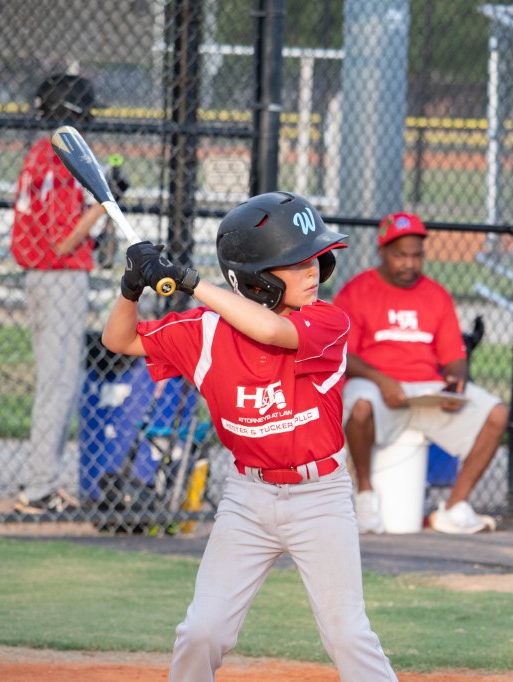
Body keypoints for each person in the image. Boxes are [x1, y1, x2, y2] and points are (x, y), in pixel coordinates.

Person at [101, 191, 397, 682]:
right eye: (296, 263)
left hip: (319, 499)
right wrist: (131, 288)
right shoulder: (205, 333)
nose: (313, 270)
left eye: (315, 259)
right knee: (202, 631)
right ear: (257, 281)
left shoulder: (327, 322)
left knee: (347, 635)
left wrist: (190, 281)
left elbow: (269, 332)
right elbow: (119, 340)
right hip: (248, 499)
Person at [335, 212, 508, 535]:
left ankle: (455, 508)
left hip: (426, 392)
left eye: (417, 256)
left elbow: (454, 358)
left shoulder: (436, 294)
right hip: (377, 387)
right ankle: (366, 496)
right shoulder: (356, 291)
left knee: (496, 413)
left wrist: (456, 383)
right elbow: (343, 354)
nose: (410, 264)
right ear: (382, 252)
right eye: (401, 255)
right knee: (359, 404)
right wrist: (382, 380)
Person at [10, 73, 107, 513]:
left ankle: (41, 482)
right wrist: (104, 203)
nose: (87, 123)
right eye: (83, 115)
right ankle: (39, 489)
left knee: (58, 383)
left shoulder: (41, 153)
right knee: (59, 385)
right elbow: (64, 241)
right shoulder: (55, 159)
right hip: (58, 278)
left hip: (47, 278)